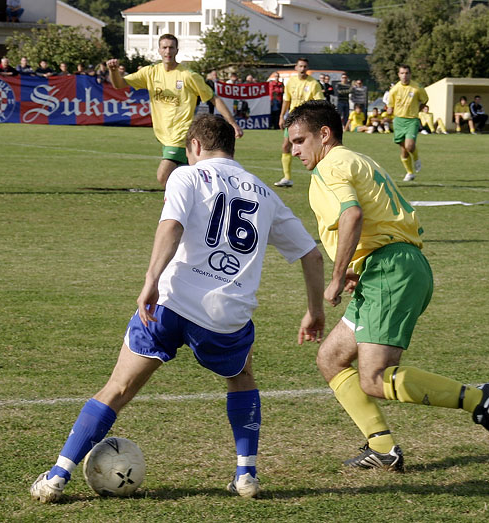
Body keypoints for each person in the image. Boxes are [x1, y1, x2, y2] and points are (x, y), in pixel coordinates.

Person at [29, 114, 325, 503]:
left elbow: (171, 225)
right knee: (241, 378)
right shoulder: (265, 193)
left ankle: (56, 477)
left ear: (195, 147)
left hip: (170, 304)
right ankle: (246, 475)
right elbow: (310, 254)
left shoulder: (187, 175)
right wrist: (314, 310)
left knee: (119, 387)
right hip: (225, 315)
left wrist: (151, 279)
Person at [285, 99, 489, 472]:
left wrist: (338, 276)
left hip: (390, 269)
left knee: (374, 377)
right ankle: (382, 447)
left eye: (299, 141)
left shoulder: (329, 166)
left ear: (324, 134)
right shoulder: (359, 160)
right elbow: (375, 216)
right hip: (393, 266)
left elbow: (352, 214)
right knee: (331, 358)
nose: (294, 151)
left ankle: (478, 399)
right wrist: (355, 268)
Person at [107, 34, 243, 187]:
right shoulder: (150, 72)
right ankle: (212, 193)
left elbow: (213, 98)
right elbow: (119, 84)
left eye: (171, 47)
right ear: (159, 50)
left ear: (177, 50)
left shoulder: (188, 75)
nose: (168, 51)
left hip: (181, 134)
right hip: (165, 136)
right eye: (164, 47)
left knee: (163, 176)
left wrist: (232, 123)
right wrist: (113, 71)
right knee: (189, 175)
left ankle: (183, 200)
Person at [273, 57, 324, 188]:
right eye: (300, 66)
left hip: (307, 120)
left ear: (308, 68)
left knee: (310, 148)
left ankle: (321, 176)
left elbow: (320, 102)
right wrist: (281, 116)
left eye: (305, 66)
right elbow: (286, 100)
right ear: (296, 67)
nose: (302, 69)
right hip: (292, 119)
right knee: (286, 146)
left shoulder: (313, 83)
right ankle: (287, 178)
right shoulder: (291, 82)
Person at [386, 64, 428, 182]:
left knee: (410, 146)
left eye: (407, 73)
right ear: (399, 75)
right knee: (403, 150)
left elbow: (425, 100)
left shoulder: (417, 87)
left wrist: (418, 110)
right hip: (398, 120)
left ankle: (416, 159)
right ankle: (410, 173)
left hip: (412, 120)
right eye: (402, 73)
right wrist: (389, 110)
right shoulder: (394, 89)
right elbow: (390, 106)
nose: (404, 75)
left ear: (410, 74)